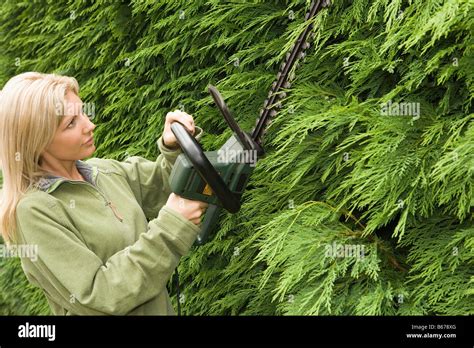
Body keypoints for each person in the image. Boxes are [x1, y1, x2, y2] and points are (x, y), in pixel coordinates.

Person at [0, 72, 209, 315]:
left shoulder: (103, 171)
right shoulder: (35, 211)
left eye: (83, 113)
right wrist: (172, 227)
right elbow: (100, 296)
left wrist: (173, 147)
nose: (90, 125)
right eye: (71, 123)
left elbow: (165, 187)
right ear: (37, 141)